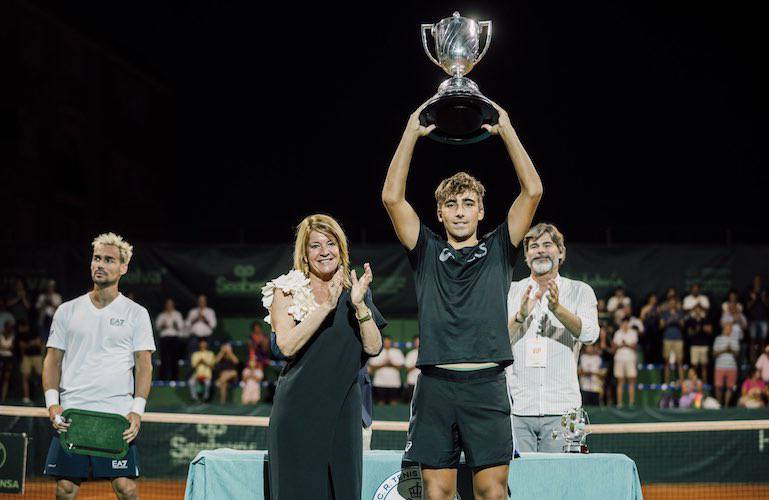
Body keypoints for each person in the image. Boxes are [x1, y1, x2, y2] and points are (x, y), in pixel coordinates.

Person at [383, 99, 542, 499]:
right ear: (438, 212)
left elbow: (533, 190)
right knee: (436, 493)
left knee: (492, 491)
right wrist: (410, 131)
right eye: (451, 204)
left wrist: (506, 129)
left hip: (486, 385)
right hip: (436, 385)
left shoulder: (502, 246)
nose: (459, 211)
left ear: (481, 210)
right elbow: (391, 198)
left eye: (468, 203)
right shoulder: (425, 249)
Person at [263, 214, 384, 499]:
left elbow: (374, 347)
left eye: (331, 243)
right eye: (315, 246)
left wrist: (358, 306)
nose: (324, 251)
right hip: (297, 412)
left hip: (344, 411)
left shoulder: (355, 291)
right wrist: (326, 307)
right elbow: (287, 346)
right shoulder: (286, 290)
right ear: (304, 254)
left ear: (341, 249)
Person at [42, 233, 155, 500]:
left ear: (123, 268)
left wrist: (137, 411)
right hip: (73, 415)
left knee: (126, 488)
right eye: (97, 258)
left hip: (115, 416)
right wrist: (52, 403)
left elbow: (144, 366)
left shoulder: (136, 314)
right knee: (65, 489)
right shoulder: (67, 311)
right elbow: (52, 360)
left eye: (109, 260)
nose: (100, 264)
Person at [508, 223, 600, 449]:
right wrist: (520, 316)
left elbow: (590, 334)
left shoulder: (580, 291)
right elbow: (494, 343)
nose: (540, 250)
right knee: (518, 482)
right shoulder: (510, 291)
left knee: (563, 482)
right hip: (518, 409)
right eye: (534, 246)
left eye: (548, 244)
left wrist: (558, 309)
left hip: (565, 410)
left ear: (561, 252)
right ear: (526, 257)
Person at [368, 335, 405, 405]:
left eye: (388, 341)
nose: (386, 343)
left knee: (393, 402)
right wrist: (383, 364)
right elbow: (372, 366)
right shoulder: (377, 351)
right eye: (385, 341)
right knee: (380, 402)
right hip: (379, 382)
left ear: (391, 342)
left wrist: (391, 364)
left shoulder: (397, 352)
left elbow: (401, 366)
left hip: (394, 383)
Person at [155, 298, 185, 381]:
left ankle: (174, 379)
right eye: (168, 304)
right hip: (164, 339)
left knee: (174, 359)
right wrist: (162, 326)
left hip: (174, 339)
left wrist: (175, 325)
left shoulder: (177, 314)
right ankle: (162, 379)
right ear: (166, 305)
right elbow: (158, 327)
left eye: (171, 304)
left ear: (173, 305)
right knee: (164, 359)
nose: (169, 306)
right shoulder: (161, 315)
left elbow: (181, 327)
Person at [612, 317, 638, 408]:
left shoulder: (633, 333)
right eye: (624, 323)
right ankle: (619, 403)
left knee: (631, 380)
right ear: (621, 324)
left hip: (630, 359)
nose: (625, 325)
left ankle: (631, 403)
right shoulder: (617, 333)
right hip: (619, 359)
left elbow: (635, 346)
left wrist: (625, 344)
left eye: (627, 323)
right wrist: (621, 345)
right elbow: (614, 348)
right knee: (620, 381)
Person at [713, 322, 740, 407]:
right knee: (718, 386)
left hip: (732, 367)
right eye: (727, 328)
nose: (729, 330)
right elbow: (714, 353)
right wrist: (724, 350)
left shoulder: (735, 339)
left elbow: (737, 353)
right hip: (720, 366)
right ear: (724, 329)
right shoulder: (718, 339)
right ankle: (719, 404)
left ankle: (726, 405)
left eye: (730, 328)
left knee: (730, 387)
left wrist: (731, 349)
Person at [17, 319, 43, 404]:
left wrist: (31, 344)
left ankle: (43, 395)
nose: (20, 329)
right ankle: (26, 397)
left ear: (25, 327)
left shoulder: (34, 332)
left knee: (41, 377)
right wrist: (31, 344)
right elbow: (22, 346)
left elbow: (39, 343)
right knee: (25, 377)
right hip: (26, 357)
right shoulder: (20, 335)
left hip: (37, 356)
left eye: (21, 327)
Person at [188, 338, 215, 402]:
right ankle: (195, 399)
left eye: (204, 343)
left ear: (207, 344)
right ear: (199, 344)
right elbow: (193, 366)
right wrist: (199, 362)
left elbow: (212, 366)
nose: (203, 344)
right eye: (201, 343)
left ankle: (206, 399)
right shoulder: (195, 354)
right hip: (197, 375)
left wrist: (204, 362)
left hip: (207, 375)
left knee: (208, 383)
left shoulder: (210, 353)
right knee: (191, 382)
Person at [0, 320, 15, 401]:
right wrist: (6, 348)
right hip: (1, 357)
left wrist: (3, 347)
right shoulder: (1, 335)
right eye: (7, 327)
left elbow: (12, 348)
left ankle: (3, 397)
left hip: (9, 358)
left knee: (6, 378)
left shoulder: (12, 336)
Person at [403, 335, 420, 402]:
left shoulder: (427, 353)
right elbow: (407, 368)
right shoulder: (410, 354)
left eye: (419, 341)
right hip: (412, 382)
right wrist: (418, 364)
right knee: (412, 402)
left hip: (424, 382)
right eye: (416, 342)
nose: (418, 343)